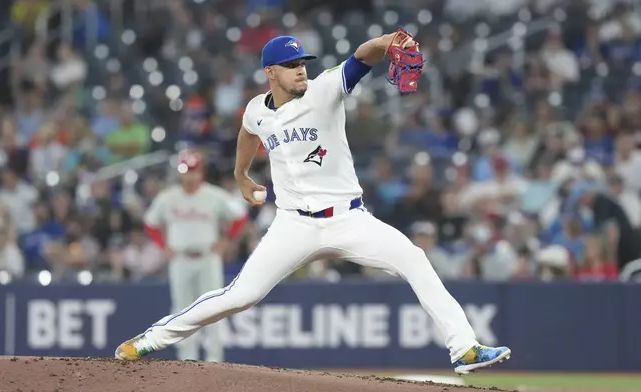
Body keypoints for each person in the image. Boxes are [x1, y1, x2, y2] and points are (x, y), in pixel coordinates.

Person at [115, 33, 512, 374]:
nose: (300, 70)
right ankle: (152, 338)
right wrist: (240, 175)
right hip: (293, 225)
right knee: (240, 296)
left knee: (414, 259)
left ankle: (464, 347)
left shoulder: (324, 89)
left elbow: (361, 57)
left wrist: (389, 41)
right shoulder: (257, 109)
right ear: (270, 72)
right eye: (290, 65)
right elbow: (248, 132)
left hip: (349, 219)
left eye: (302, 62)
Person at [141, 150, 248, 362]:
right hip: (180, 259)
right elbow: (150, 224)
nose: (189, 176)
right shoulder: (168, 197)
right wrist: (163, 246)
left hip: (208, 257)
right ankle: (185, 361)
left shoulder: (214, 195)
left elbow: (240, 217)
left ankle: (214, 360)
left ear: (201, 172)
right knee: (181, 310)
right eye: (185, 171)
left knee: (214, 309)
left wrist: (226, 240)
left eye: (193, 171)